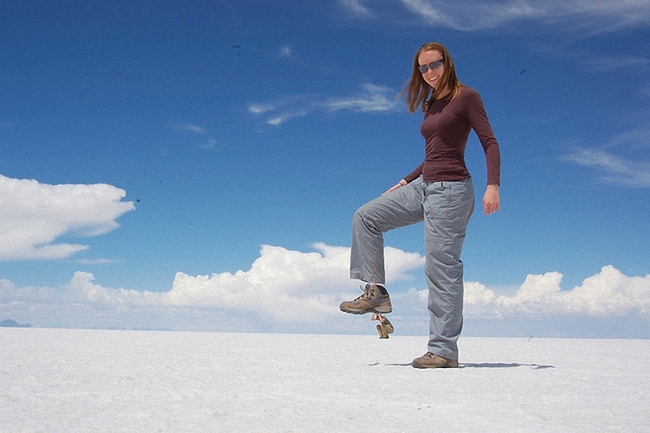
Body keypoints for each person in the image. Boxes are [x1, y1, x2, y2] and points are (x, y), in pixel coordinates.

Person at [339, 42, 501, 368]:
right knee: (366, 216)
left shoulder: (466, 97)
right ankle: (376, 292)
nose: (429, 73)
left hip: (453, 191)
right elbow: (434, 155)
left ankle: (443, 351)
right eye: (423, 68)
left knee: (441, 269)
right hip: (424, 187)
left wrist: (493, 185)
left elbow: (489, 141)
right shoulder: (431, 105)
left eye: (434, 65)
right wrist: (405, 181)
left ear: (447, 63)